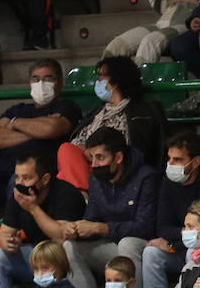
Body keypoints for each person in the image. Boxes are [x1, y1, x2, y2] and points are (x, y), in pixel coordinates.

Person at [68, 127, 157, 288]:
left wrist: (102, 228)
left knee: (127, 243)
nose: (94, 165)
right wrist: (76, 230)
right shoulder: (95, 179)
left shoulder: (146, 177)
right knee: (69, 246)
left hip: (143, 248)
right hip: (112, 246)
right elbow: (92, 219)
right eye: (91, 158)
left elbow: (146, 227)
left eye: (100, 158)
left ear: (118, 157)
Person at [0, 59, 81, 207]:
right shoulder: (17, 110)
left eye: (48, 78)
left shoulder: (67, 108)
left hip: (30, 176)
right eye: (35, 78)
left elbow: (51, 129)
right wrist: (37, 130)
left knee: (18, 184)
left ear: (60, 83)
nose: (41, 83)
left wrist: (15, 123)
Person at [59, 56, 162, 189]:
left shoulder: (139, 112)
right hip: (86, 166)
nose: (98, 81)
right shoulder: (98, 112)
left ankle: (83, 195)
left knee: (64, 173)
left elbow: (128, 148)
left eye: (101, 76)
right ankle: (83, 193)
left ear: (116, 81)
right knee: (65, 153)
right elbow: (76, 142)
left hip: (113, 168)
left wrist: (90, 150)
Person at [0, 151, 86, 288]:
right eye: (17, 177)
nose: (20, 183)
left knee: (68, 249)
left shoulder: (66, 194)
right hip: (36, 257)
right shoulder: (18, 195)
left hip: (65, 260)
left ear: (45, 179)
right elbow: (4, 232)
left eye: (26, 178)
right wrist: (7, 242)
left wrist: (33, 208)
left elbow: (62, 238)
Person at [143, 131, 200, 288]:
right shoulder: (168, 182)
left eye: (177, 160)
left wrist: (173, 243)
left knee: (194, 252)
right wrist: (184, 236)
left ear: (196, 162)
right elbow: (163, 227)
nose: (170, 164)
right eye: (169, 158)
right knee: (151, 253)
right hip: (178, 249)